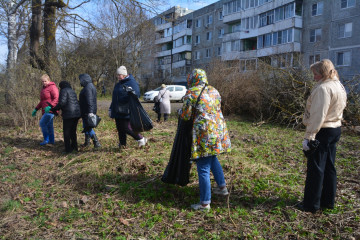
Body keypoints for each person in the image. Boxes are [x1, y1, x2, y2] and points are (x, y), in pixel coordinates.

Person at [297, 59, 347, 213]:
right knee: (329, 166)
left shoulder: (323, 89)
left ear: (324, 73)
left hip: (322, 130)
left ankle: (311, 205)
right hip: (335, 129)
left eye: (316, 74)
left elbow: (318, 115)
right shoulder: (338, 85)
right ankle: (328, 201)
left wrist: (309, 136)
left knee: (316, 168)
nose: (314, 77)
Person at [179, 68, 231, 211]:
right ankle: (222, 187)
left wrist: (180, 111)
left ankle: (205, 203)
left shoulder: (192, 92)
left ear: (193, 78)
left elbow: (185, 116)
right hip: (218, 132)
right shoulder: (214, 90)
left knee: (203, 166)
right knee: (212, 159)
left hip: (204, 135)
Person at [109, 66, 147, 148]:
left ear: (125, 74)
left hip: (126, 109)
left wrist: (132, 92)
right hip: (117, 110)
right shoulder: (118, 84)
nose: (118, 76)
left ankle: (141, 139)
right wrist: (111, 108)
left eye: (120, 75)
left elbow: (137, 95)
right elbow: (115, 98)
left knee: (126, 128)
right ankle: (122, 145)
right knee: (120, 129)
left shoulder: (132, 83)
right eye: (117, 75)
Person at [51, 81, 81, 153]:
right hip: (77, 114)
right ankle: (75, 147)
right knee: (73, 132)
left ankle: (68, 150)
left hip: (69, 114)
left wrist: (55, 109)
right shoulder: (72, 91)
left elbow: (62, 102)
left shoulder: (63, 91)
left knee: (66, 132)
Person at [31, 74, 59, 145]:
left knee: (42, 123)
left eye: (45, 81)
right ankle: (52, 141)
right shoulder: (43, 89)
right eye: (42, 81)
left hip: (51, 110)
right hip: (44, 110)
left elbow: (56, 98)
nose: (44, 83)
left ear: (49, 80)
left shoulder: (52, 87)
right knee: (49, 125)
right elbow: (42, 101)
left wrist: (50, 106)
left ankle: (46, 139)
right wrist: (36, 109)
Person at [79, 73, 101, 148]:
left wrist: (90, 112)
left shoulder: (88, 88)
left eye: (80, 80)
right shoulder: (90, 86)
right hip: (88, 110)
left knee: (88, 127)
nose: (80, 82)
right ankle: (87, 142)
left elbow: (89, 100)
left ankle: (96, 142)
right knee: (86, 126)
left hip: (87, 111)